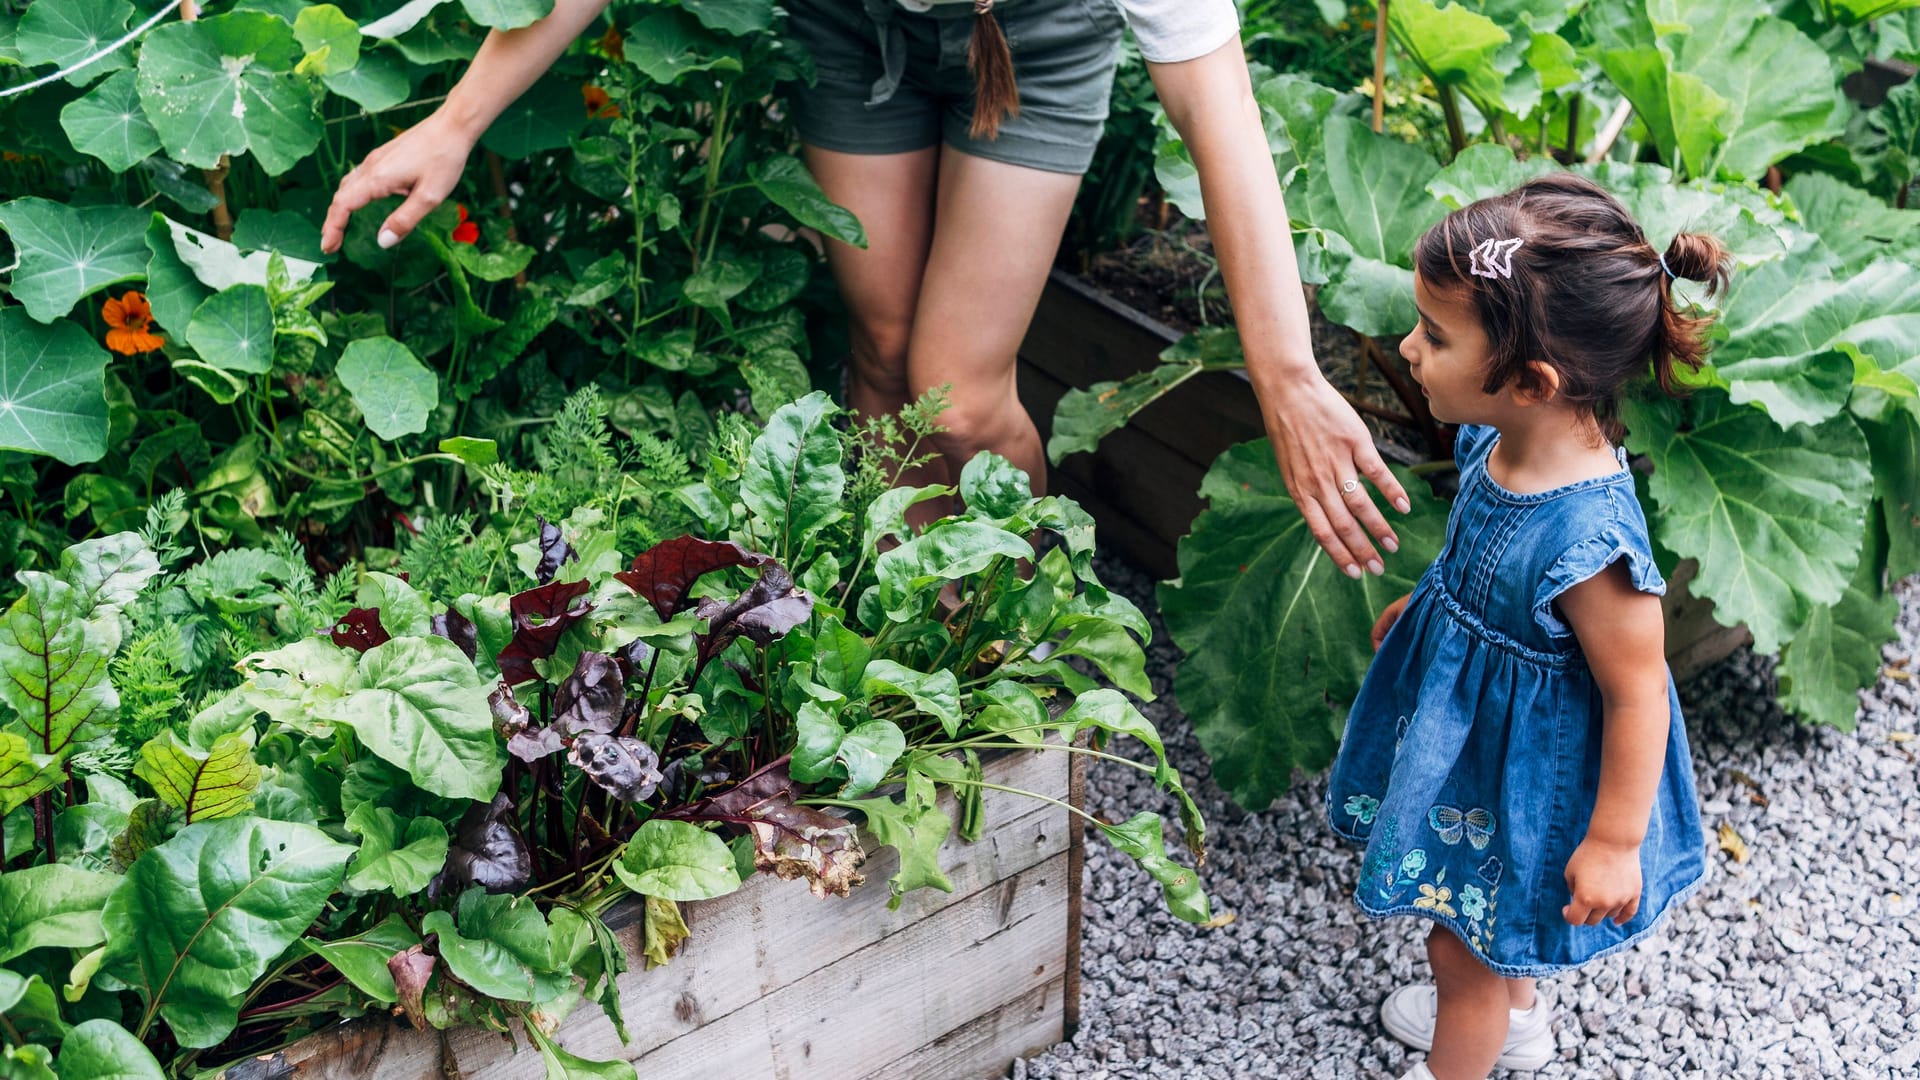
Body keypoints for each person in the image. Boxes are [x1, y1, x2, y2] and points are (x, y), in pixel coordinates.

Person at [319, 0, 1411, 575]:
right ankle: (902, 625)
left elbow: (1221, 128)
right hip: (851, 27)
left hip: (1032, 38)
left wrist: (1287, 377)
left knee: (961, 389)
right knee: (886, 352)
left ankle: (1007, 627)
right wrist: (456, 123)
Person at [1324, 174, 1718, 1080]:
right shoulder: (1494, 440)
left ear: (1532, 381)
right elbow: (1481, 557)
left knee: (1457, 954)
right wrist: (1432, 606)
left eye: (1435, 336)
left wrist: (1614, 841)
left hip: (1532, 770)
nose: (1406, 347)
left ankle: (1465, 1049)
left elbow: (1637, 692)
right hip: (1480, 740)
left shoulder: (1592, 545)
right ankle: (1520, 1020)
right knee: (1482, 923)